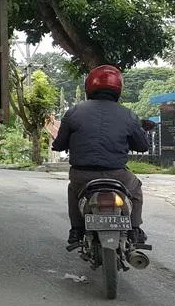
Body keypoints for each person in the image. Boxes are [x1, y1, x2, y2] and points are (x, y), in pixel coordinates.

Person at [51, 65, 150, 245]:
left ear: (89, 87)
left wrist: (59, 145)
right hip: (118, 175)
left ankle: (76, 230)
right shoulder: (128, 115)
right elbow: (143, 146)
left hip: (82, 175)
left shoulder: (73, 112)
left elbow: (59, 144)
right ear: (118, 88)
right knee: (135, 189)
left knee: (74, 191)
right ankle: (135, 229)